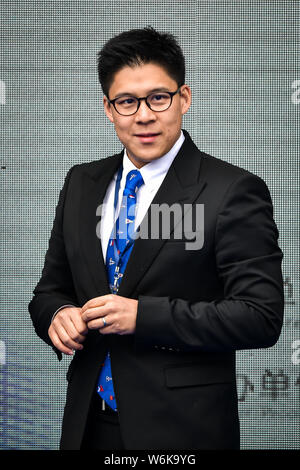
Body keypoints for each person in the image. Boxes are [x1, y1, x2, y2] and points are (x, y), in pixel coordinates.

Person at [28, 27, 284, 450]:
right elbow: (49, 290)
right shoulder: (81, 182)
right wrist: (56, 315)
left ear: (184, 98)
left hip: (183, 430)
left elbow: (260, 315)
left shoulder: (232, 190)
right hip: (87, 426)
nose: (143, 115)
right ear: (108, 109)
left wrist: (143, 317)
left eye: (158, 98)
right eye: (127, 102)